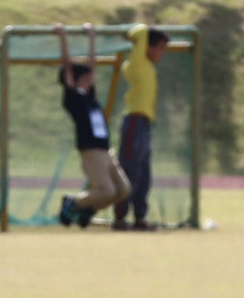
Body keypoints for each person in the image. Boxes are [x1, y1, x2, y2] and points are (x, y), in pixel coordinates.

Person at [53, 24, 131, 230]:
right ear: (76, 82)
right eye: (85, 79)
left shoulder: (89, 96)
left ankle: (88, 209)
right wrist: (63, 37)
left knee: (123, 190)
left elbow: (91, 66)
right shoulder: (73, 98)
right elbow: (67, 67)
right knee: (106, 191)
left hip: (106, 150)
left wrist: (92, 38)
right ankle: (74, 202)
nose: (90, 80)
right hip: (91, 151)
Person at [114, 24, 170, 232]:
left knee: (144, 173)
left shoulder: (148, 66)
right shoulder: (136, 62)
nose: (162, 53)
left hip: (145, 123)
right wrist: (147, 32)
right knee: (129, 169)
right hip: (134, 122)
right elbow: (137, 32)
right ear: (147, 46)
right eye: (160, 47)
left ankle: (139, 216)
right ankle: (120, 216)